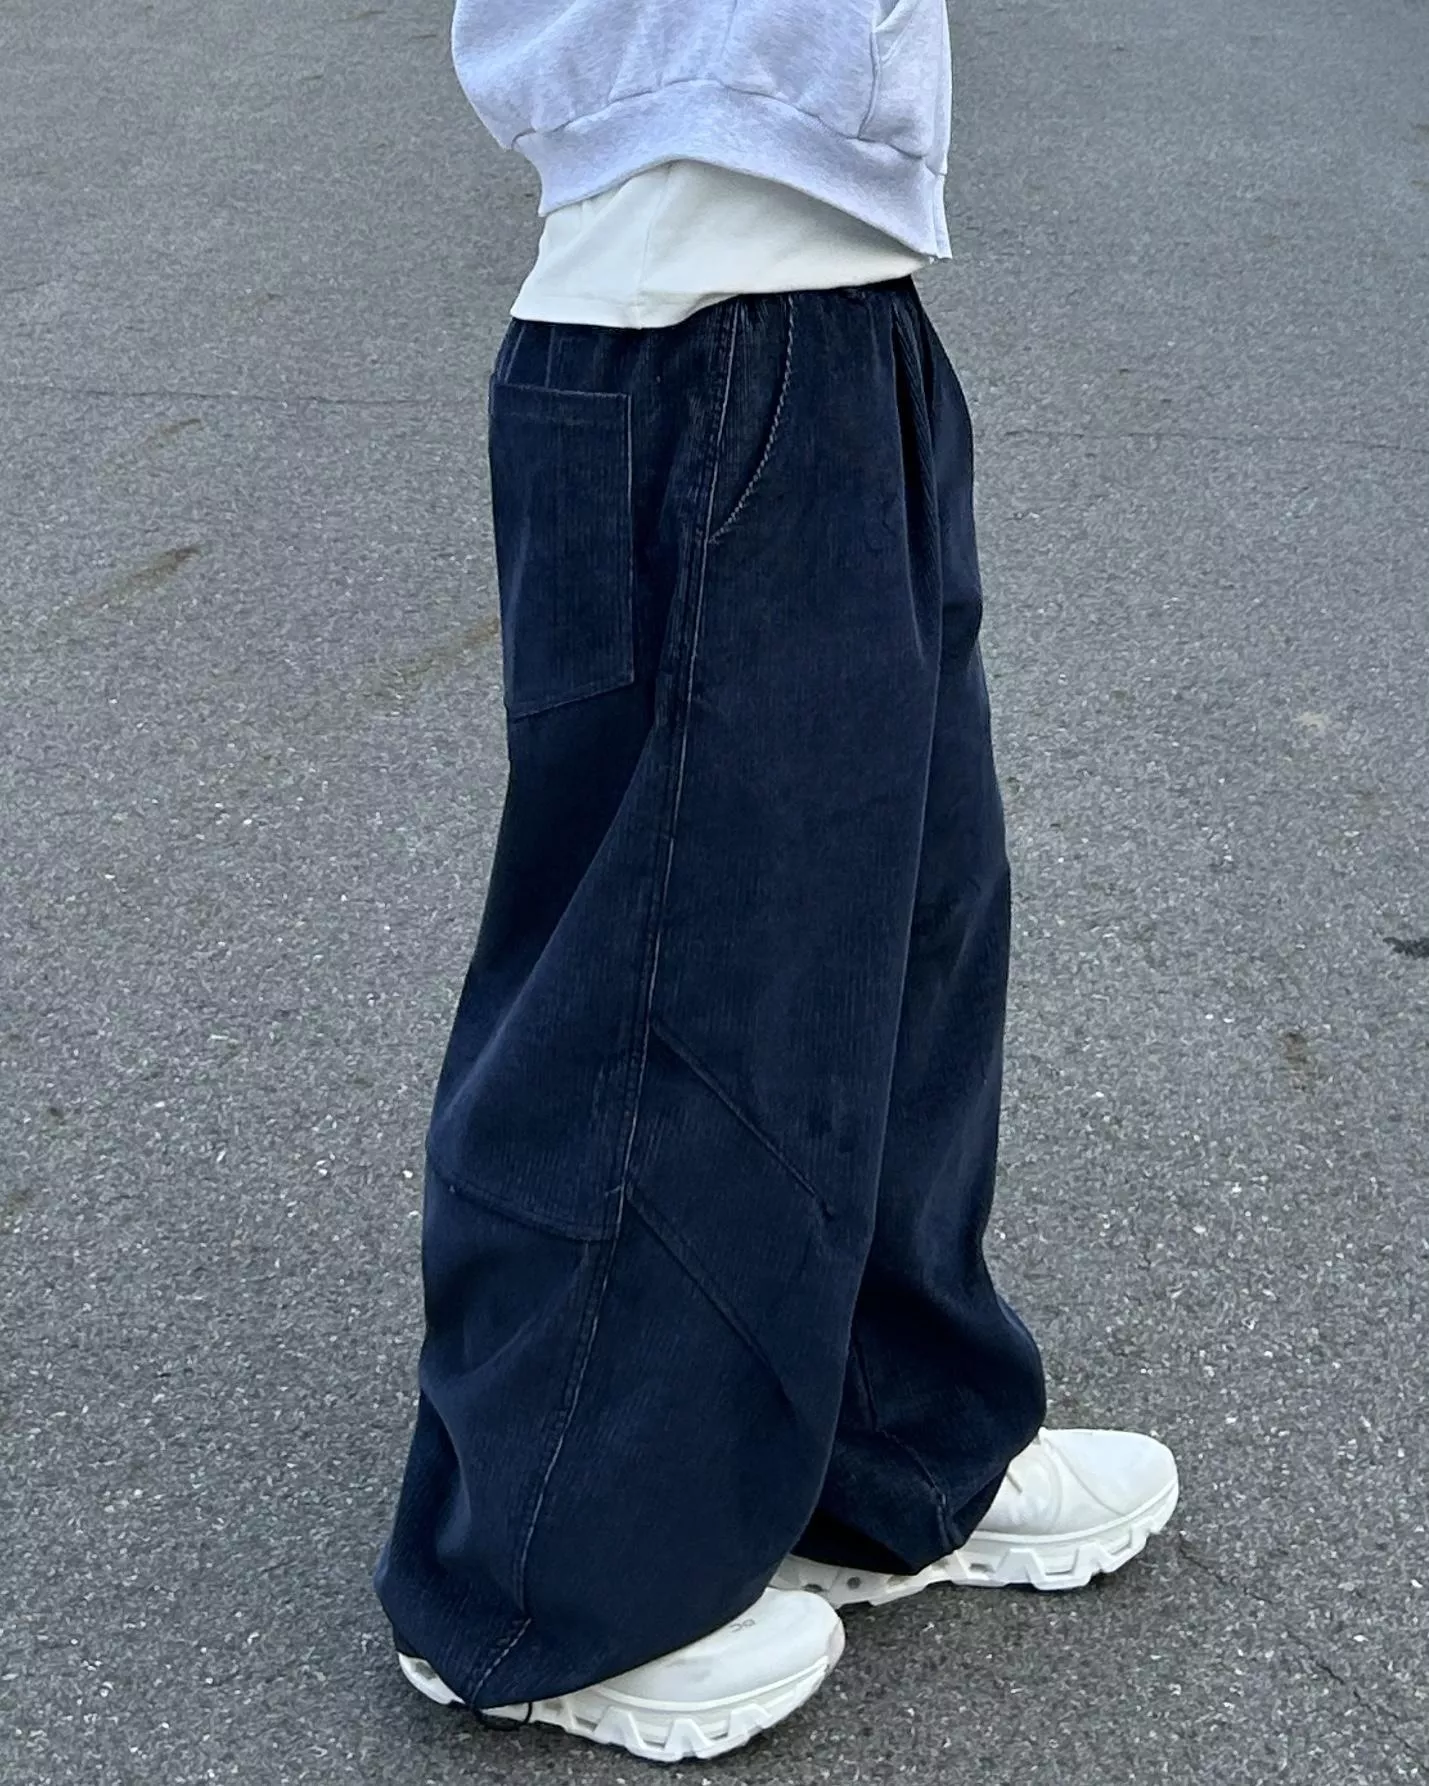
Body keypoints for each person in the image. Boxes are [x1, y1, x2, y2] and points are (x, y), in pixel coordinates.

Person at [375, 0, 1179, 1763]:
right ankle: (541, 1576)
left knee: (902, 936)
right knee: (664, 975)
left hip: (842, 301)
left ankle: (881, 1451)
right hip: (689, 301)